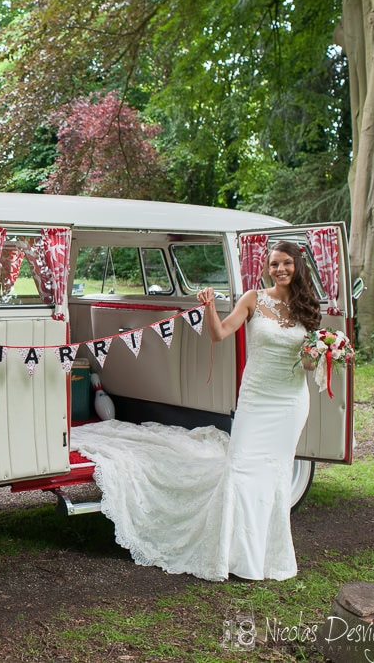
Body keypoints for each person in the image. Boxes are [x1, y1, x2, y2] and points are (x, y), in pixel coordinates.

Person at [70, 241, 321, 581]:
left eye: (286, 263)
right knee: (241, 468)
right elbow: (219, 335)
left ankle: (270, 557)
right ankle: (234, 555)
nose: (280, 269)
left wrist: (323, 354)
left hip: (290, 401)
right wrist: (209, 309)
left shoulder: (307, 307)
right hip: (257, 398)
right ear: (267, 267)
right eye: (274, 263)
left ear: (297, 266)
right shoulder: (253, 299)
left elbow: (308, 361)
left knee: (275, 474)